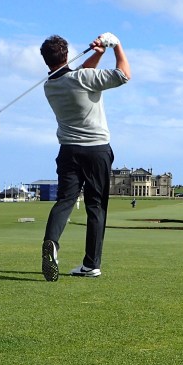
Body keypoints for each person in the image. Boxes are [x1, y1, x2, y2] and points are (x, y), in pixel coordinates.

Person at [39, 33, 130, 281]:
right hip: (96, 150)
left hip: (68, 151)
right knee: (96, 207)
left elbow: (78, 75)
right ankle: (91, 265)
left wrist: (98, 54)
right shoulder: (83, 78)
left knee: (64, 201)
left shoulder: (50, 86)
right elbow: (124, 74)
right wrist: (117, 45)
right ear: (66, 54)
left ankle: (51, 242)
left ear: (46, 60)